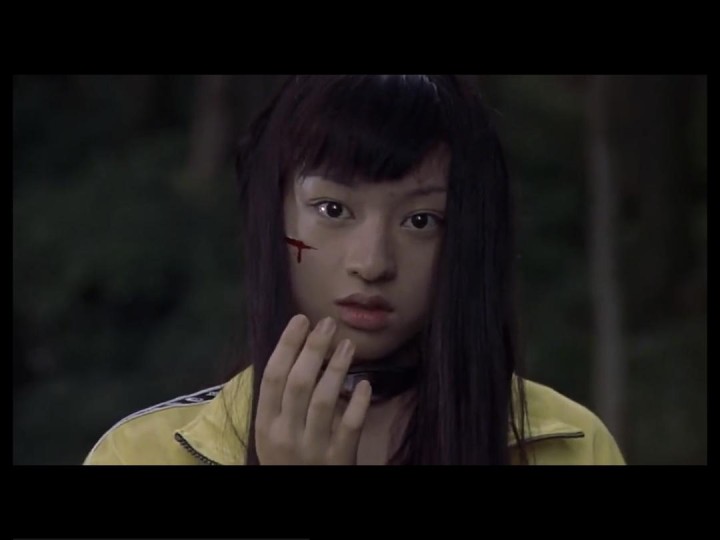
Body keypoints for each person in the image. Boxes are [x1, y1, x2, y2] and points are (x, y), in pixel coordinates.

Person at [84, 75, 626, 465]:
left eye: (420, 220)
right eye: (332, 209)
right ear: (270, 215)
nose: (372, 263)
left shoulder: (571, 447)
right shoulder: (142, 453)